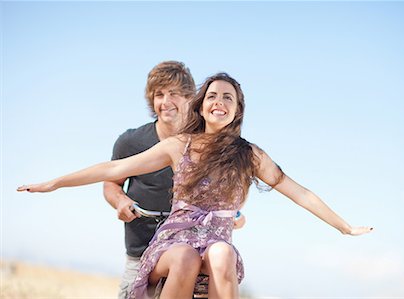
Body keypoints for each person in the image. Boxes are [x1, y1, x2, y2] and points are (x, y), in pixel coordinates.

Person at [18, 72, 373, 299]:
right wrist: (56, 182)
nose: (219, 102)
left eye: (228, 98)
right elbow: (115, 167)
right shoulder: (179, 146)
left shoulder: (249, 155)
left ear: (237, 110)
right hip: (174, 244)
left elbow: (300, 193)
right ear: (202, 107)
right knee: (187, 256)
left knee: (223, 252)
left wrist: (343, 226)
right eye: (213, 96)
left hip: (217, 244)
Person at [102, 61, 245, 298]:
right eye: (159, 95)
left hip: (192, 253)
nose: (166, 102)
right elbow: (110, 183)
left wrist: (234, 215)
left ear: (191, 99)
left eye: (175, 94)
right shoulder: (131, 142)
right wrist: (120, 201)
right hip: (140, 252)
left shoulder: (205, 145)